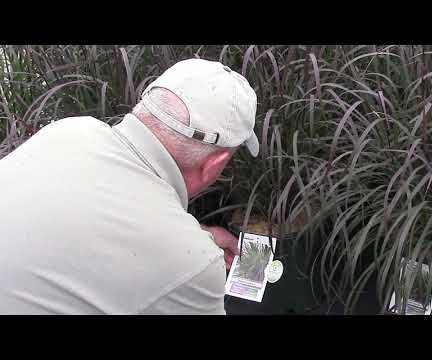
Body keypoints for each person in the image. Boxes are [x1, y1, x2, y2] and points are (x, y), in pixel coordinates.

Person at [0, 58, 259, 314]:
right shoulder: (193, 265)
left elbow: (69, 220)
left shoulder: (69, 130)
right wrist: (195, 254)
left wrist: (199, 236)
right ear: (214, 164)